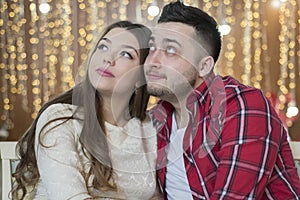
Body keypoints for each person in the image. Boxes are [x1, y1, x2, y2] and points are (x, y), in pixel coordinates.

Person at [144, 1, 300, 199]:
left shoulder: (241, 105)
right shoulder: (157, 120)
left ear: (204, 66)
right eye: (151, 48)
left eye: (171, 50)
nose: (152, 62)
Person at [12, 21, 158, 200]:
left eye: (125, 54)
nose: (108, 58)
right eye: (103, 47)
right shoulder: (61, 118)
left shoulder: (148, 128)